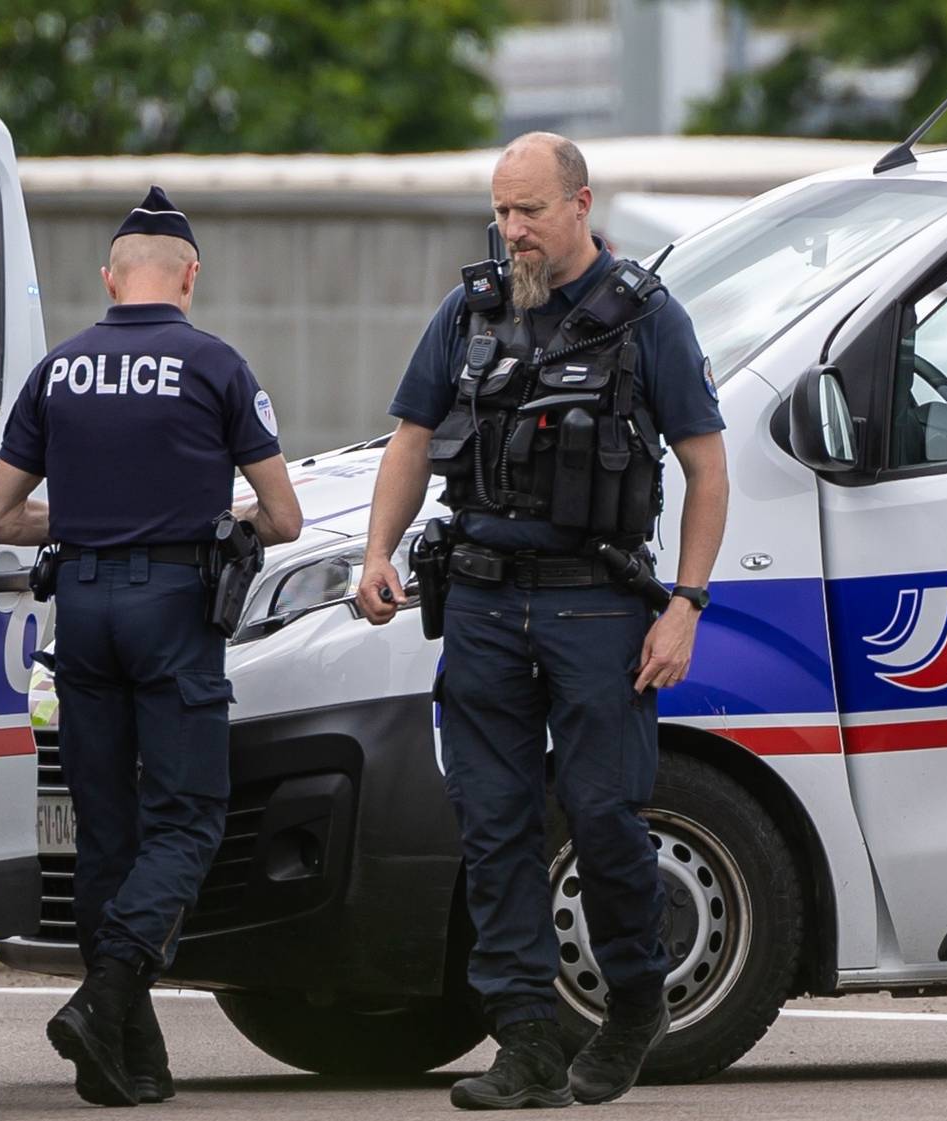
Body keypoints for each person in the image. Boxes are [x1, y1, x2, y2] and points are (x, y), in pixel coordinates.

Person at [353, 132, 729, 1111]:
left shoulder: (646, 318)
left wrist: (684, 605)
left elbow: (705, 463)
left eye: (527, 211)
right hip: (477, 598)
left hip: (596, 603)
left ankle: (635, 1002)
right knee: (494, 825)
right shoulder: (470, 310)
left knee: (604, 816)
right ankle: (522, 1040)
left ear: (580, 205)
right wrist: (377, 551)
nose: (511, 230)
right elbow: (407, 437)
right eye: (500, 210)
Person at [0, 186, 302, 1105]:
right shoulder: (217, 367)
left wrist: (84, 518)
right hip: (172, 611)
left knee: (105, 834)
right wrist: (203, 514)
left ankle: (130, 1057)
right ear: (190, 276)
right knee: (190, 818)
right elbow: (282, 515)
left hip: (79, 609)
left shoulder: (59, 371)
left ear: (110, 278)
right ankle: (108, 990)